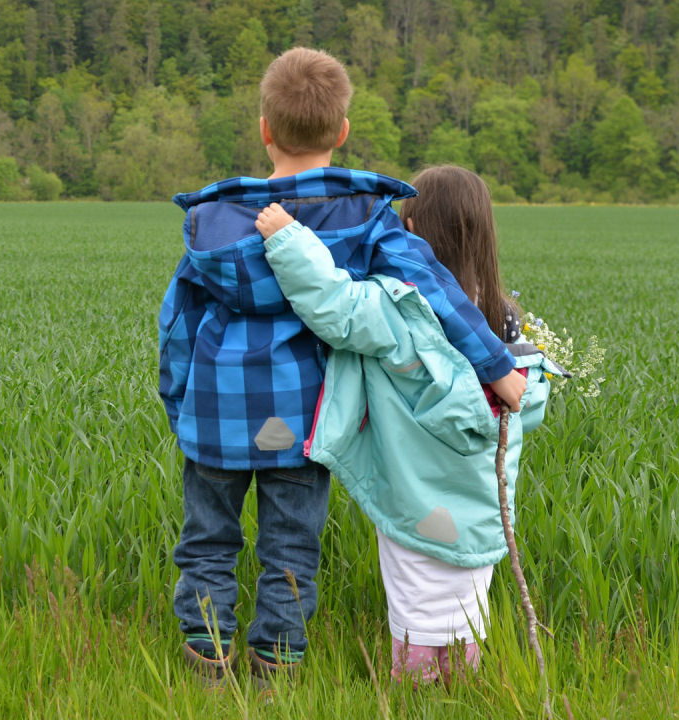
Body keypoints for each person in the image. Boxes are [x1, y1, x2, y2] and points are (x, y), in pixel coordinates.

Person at [158, 48, 528, 688]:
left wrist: (179, 402)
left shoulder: (213, 223)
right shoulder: (364, 217)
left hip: (215, 414)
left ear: (265, 130)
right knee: (291, 548)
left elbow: (178, 325)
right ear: (344, 132)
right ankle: (276, 665)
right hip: (304, 417)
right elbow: (435, 290)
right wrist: (497, 366)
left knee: (207, 539)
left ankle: (207, 656)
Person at [253, 165, 558, 685]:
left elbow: (335, 304)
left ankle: (412, 693)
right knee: (466, 606)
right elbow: (523, 402)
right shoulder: (506, 322)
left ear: (409, 233)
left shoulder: (403, 308)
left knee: (416, 603)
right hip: (482, 505)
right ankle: (463, 692)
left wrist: (288, 239)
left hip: (414, 497)